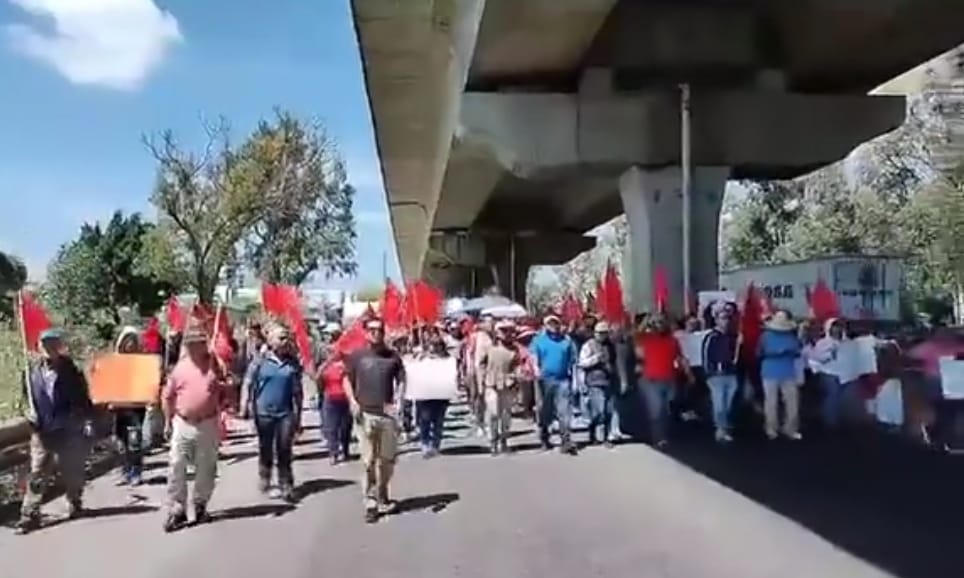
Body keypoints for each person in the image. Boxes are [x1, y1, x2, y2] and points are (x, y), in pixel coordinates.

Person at [16, 328, 94, 535]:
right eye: (45, 344)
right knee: (37, 473)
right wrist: (28, 413)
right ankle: (29, 515)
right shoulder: (30, 372)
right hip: (42, 432)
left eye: (52, 344)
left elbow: (83, 399)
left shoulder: (71, 371)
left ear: (59, 346)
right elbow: (25, 400)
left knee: (72, 471)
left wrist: (85, 420)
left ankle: (74, 501)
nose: (48, 348)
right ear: (39, 347)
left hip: (68, 429)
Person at [161, 323, 226, 532]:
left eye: (198, 343)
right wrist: (167, 421)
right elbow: (168, 396)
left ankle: (200, 504)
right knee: (176, 463)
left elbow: (230, 387)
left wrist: (221, 386)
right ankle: (177, 507)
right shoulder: (179, 368)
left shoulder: (215, 364)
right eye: (190, 343)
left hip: (207, 422)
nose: (194, 347)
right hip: (183, 422)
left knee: (206, 466)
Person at [343, 318, 406, 523]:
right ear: (365, 332)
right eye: (371, 330)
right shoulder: (357, 356)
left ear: (384, 333)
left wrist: (399, 401)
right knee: (368, 460)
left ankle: (382, 493)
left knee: (387, 460)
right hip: (365, 414)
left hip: (387, 415)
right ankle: (370, 501)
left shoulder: (393, 357)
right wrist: (352, 401)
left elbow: (402, 380)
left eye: (379, 330)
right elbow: (346, 380)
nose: (375, 333)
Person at [240, 325, 303, 501]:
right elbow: (248, 383)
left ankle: (286, 484)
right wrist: (244, 404)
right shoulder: (259, 362)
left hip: (285, 413)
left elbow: (298, 391)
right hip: (263, 413)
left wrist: (299, 415)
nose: (284, 341)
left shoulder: (292, 363)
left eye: (286, 338)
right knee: (266, 447)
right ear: (271, 341)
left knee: (284, 449)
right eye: (281, 338)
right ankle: (265, 477)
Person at [636, 314, 692, 448]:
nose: (659, 325)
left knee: (666, 410)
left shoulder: (673, 340)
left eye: (661, 323)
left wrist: (689, 374)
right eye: (656, 323)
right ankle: (659, 437)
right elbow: (636, 337)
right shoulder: (645, 339)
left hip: (669, 380)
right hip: (651, 381)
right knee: (657, 410)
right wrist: (646, 321)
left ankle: (663, 434)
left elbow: (680, 358)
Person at [531, 314, 577, 454]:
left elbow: (573, 360)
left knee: (564, 411)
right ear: (545, 326)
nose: (553, 326)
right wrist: (536, 370)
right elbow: (534, 358)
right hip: (545, 380)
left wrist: (575, 380)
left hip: (563, 380)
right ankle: (544, 438)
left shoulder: (566, 341)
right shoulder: (538, 341)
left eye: (555, 323)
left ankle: (566, 441)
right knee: (545, 411)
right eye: (550, 323)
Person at [757, 310, 804, 440]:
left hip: (788, 372)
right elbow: (759, 353)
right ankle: (771, 428)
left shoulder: (791, 336)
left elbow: (798, 353)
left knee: (792, 403)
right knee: (771, 403)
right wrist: (776, 353)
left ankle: (790, 428)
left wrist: (791, 351)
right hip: (770, 372)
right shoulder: (765, 336)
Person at [411, 337, 456, 458]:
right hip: (425, 393)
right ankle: (425, 443)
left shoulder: (448, 359)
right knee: (425, 419)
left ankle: (436, 444)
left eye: (438, 345)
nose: (435, 347)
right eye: (433, 344)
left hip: (441, 393)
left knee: (438, 420)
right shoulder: (422, 358)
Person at [113, 326, 147, 485]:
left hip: (136, 409)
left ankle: (136, 472)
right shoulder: (115, 362)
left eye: (133, 341)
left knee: (134, 441)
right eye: (127, 341)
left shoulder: (142, 363)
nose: (130, 344)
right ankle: (125, 471)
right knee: (121, 443)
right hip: (118, 409)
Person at [481, 320, 521, 455]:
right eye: (504, 331)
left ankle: (504, 441)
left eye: (509, 331)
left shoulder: (514, 349)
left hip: (508, 383)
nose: (507, 333)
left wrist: (516, 376)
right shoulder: (489, 347)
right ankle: (493, 441)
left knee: (505, 414)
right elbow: (481, 363)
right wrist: (482, 379)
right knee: (493, 413)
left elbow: (517, 365)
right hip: (491, 383)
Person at [812, 317, 859, 430]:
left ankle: (843, 423)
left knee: (843, 400)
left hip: (847, 376)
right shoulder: (822, 343)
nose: (837, 329)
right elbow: (817, 358)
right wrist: (830, 354)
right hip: (830, 374)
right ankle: (830, 424)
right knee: (832, 398)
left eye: (839, 326)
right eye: (834, 327)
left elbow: (853, 358)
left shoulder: (849, 342)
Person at [578, 321, 619, 448]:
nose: (602, 335)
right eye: (600, 333)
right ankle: (593, 430)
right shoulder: (588, 345)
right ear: (595, 333)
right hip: (594, 381)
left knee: (608, 411)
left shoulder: (611, 346)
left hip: (608, 381)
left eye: (605, 333)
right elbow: (582, 363)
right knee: (599, 411)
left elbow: (614, 362)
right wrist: (595, 359)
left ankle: (606, 437)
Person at [702, 312, 740, 442]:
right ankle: (720, 429)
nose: (726, 321)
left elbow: (736, 357)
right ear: (716, 320)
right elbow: (705, 356)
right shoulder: (711, 336)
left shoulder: (732, 337)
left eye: (727, 318)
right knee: (719, 405)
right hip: (716, 375)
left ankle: (725, 427)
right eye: (723, 318)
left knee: (728, 405)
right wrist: (708, 373)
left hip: (731, 374)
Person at [317, 350, 352, 464]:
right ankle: (333, 453)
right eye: (330, 352)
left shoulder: (346, 366)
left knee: (345, 427)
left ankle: (345, 450)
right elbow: (318, 379)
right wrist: (323, 367)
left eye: (333, 352)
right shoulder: (326, 367)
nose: (331, 354)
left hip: (345, 399)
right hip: (330, 399)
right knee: (331, 428)